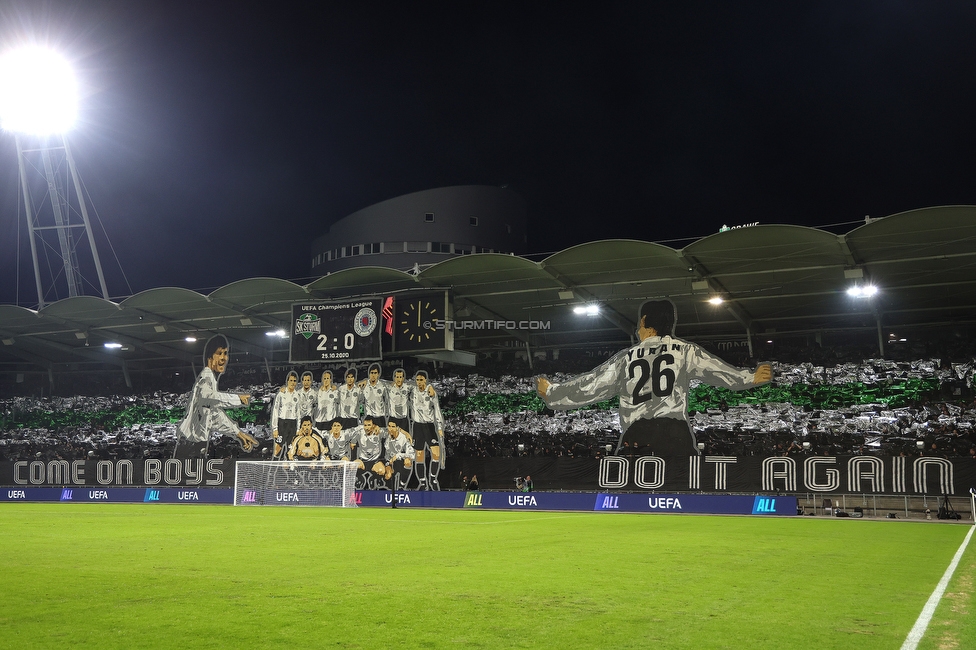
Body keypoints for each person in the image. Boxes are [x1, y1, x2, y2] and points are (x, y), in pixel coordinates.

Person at [537, 300, 772, 458]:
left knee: (630, 494)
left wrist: (553, 392)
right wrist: (750, 377)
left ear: (645, 322)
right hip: (675, 433)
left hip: (637, 434)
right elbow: (717, 371)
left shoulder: (627, 357)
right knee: (684, 489)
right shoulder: (684, 350)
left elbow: (591, 386)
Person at [174, 334, 258, 459]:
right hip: (190, 447)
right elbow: (208, 397)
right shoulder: (206, 376)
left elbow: (214, 415)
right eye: (219, 353)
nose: (224, 358)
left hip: (194, 445)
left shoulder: (210, 379)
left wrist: (238, 434)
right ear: (210, 357)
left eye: (225, 353)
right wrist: (237, 399)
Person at [410, 370, 445, 490]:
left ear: (425, 380)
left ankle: (433, 478)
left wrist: (439, 427)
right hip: (417, 426)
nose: (419, 382)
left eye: (421, 380)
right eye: (417, 380)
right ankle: (423, 482)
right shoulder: (413, 390)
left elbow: (437, 410)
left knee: (436, 453)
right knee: (419, 455)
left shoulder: (431, 393)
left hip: (429, 426)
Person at [352, 415, 388, 489]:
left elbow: (391, 431)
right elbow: (351, 442)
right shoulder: (359, 431)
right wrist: (354, 458)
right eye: (365, 425)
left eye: (369, 425)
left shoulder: (379, 431)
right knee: (352, 466)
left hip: (375, 461)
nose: (367, 427)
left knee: (381, 470)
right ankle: (360, 479)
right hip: (363, 460)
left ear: (374, 425)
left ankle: (376, 478)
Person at [271, 371, 301, 460]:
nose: (293, 382)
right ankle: (272, 470)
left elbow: (298, 413)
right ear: (287, 381)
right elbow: (275, 411)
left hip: (292, 424)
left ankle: (289, 471)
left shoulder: (297, 395)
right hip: (282, 423)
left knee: (290, 449)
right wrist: (275, 428)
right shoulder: (281, 394)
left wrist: (298, 429)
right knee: (278, 448)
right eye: (291, 380)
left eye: (294, 381)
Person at [383, 420, 415, 490]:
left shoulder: (404, 438)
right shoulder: (386, 436)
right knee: (387, 474)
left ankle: (402, 485)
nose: (390, 428)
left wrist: (398, 455)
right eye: (389, 426)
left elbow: (412, 455)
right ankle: (389, 487)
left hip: (401, 461)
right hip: (390, 461)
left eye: (393, 426)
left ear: (398, 428)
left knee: (408, 461)